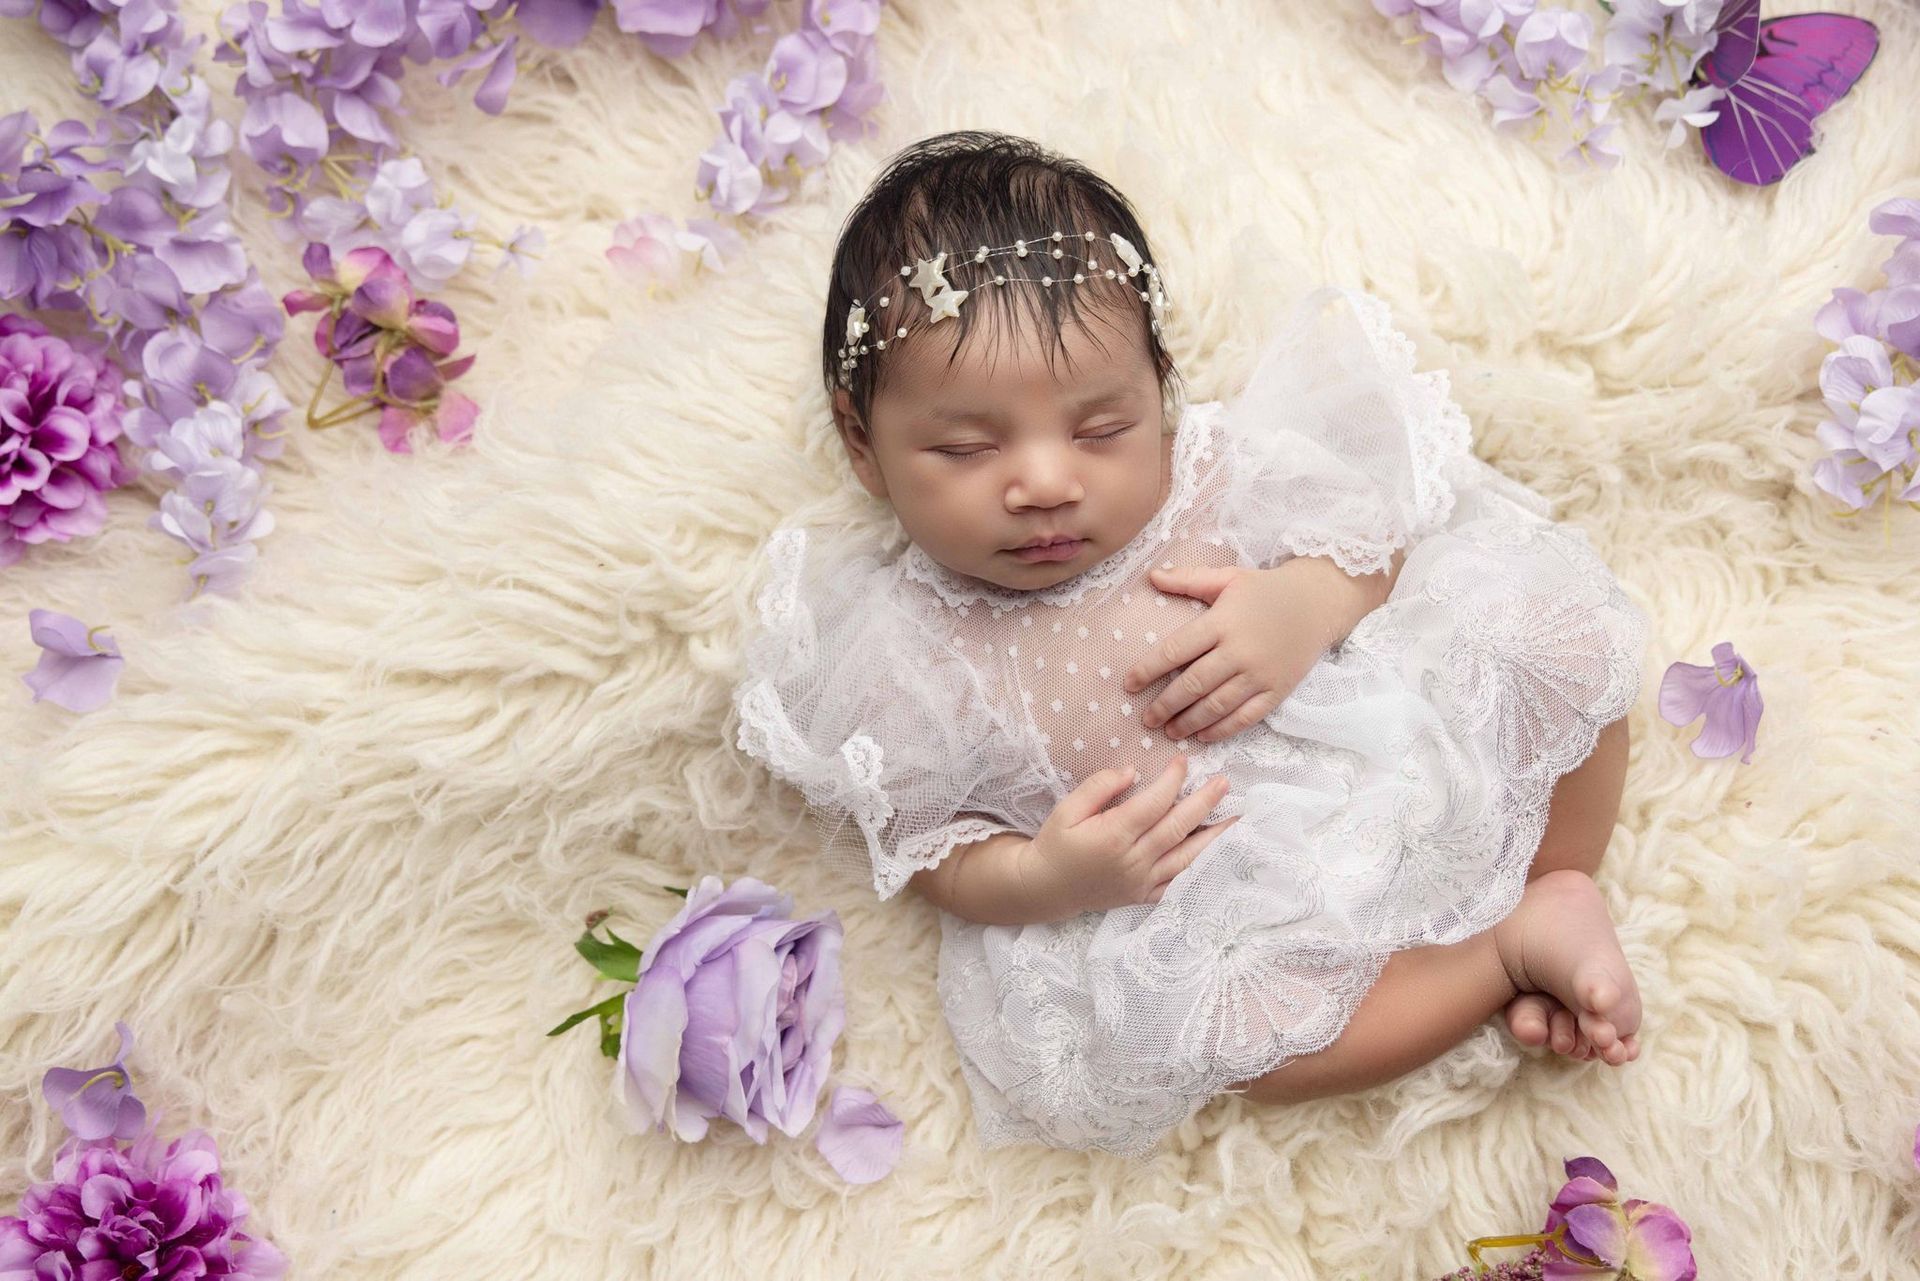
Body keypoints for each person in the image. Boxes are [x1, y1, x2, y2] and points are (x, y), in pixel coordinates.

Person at [731, 129, 1648, 1159]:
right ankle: (1501, 954)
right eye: (967, 448)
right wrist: (1045, 878)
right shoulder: (908, 648)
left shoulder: (1219, 474)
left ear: (1159, 396)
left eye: (1100, 428)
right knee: (1238, 1041)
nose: (1044, 481)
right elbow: (938, 846)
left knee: (1551, 632)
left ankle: (1563, 873)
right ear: (864, 446)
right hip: (1220, 882)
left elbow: (1382, 539)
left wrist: (1307, 604)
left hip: (1384, 731)